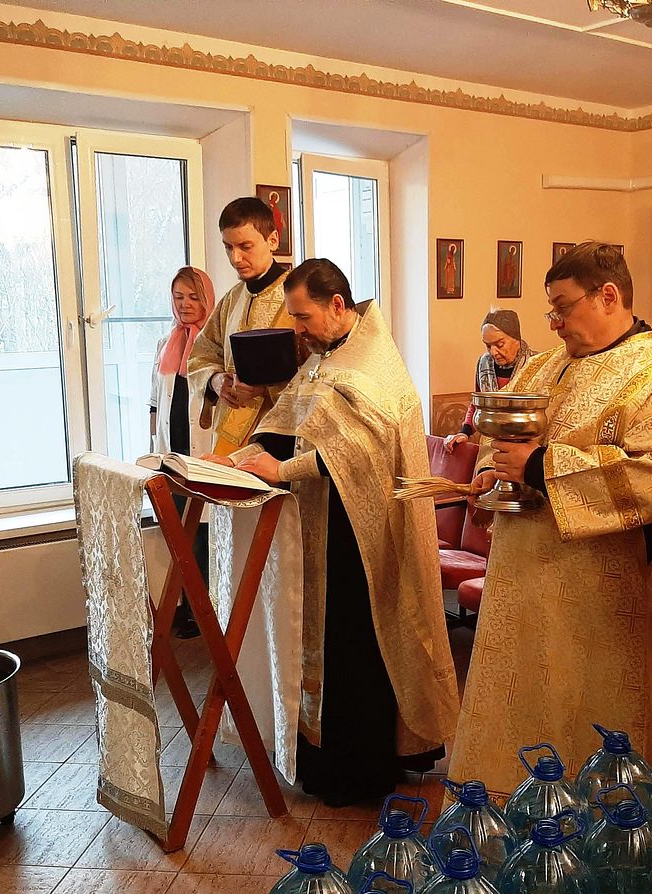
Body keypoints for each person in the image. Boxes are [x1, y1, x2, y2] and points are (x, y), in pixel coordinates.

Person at [450, 242, 652, 798]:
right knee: (518, 713)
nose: (555, 322)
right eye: (552, 310)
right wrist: (493, 468)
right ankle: (505, 823)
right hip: (520, 584)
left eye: (563, 308)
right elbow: (503, 436)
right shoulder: (545, 364)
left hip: (603, 601)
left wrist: (540, 466)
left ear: (608, 296)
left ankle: (602, 836)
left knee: (591, 726)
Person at [233, 258, 459, 807]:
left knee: (356, 644)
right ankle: (320, 758)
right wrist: (247, 455)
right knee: (324, 642)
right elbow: (290, 421)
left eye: (303, 316)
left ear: (337, 305)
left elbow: (358, 451)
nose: (298, 329)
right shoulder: (326, 355)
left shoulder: (372, 362)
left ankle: (357, 772)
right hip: (324, 520)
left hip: (364, 534)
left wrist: (283, 470)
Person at [188, 197, 294, 455]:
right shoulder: (233, 298)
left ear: (272, 240)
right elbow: (201, 354)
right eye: (228, 247)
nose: (235, 258)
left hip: (277, 437)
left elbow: (317, 368)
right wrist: (216, 381)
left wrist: (267, 389)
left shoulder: (298, 296)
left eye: (245, 246)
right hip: (227, 434)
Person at [149, 265, 217, 638]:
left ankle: (209, 614)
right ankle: (189, 610)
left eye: (193, 297)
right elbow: (154, 402)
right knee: (180, 537)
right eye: (179, 297)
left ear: (207, 299)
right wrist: (152, 448)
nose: (185, 304)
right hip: (170, 456)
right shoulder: (165, 343)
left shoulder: (215, 345)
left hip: (202, 456)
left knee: (205, 537)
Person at [444, 309, 534, 452]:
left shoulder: (536, 364)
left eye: (499, 344)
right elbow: (478, 403)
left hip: (525, 449)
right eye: (488, 346)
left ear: (517, 340)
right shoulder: (484, 362)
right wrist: (464, 432)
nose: (493, 352)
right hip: (489, 446)